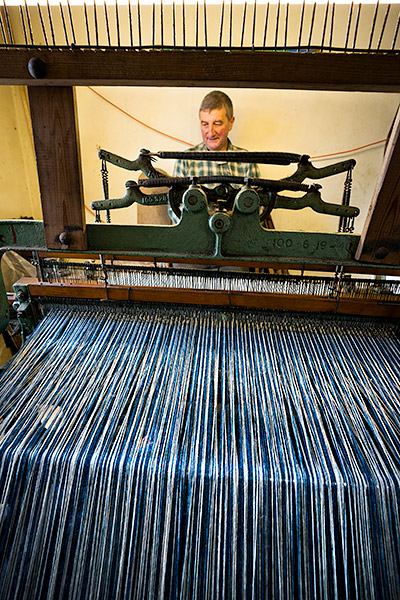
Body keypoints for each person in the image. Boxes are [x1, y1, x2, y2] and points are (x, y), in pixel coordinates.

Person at [173, 90, 260, 181]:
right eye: (205, 124)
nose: (210, 133)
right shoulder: (185, 161)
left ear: (230, 123)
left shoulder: (247, 162)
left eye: (217, 123)